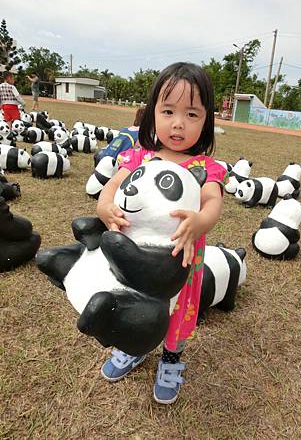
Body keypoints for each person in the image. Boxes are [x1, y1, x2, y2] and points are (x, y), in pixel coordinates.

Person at [96, 62, 226, 404]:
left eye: (192, 114)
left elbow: (213, 201)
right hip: (137, 257)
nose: (178, 123)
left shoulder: (205, 167)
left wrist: (201, 220)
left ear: (207, 121)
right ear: (152, 113)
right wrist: (104, 207)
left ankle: (171, 358)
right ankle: (133, 345)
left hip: (181, 260)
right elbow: (111, 186)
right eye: (168, 111)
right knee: (134, 301)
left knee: (177, 314)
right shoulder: (140, 155)